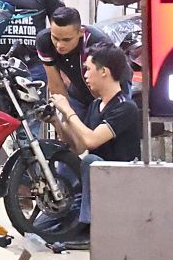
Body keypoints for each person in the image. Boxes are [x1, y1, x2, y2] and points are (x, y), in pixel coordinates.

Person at [49, 44, 140, 236]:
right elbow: (78, 146)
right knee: (46, 225)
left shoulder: (125, 107)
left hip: (119, 182)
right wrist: (57, 120)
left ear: (104, 72)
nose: (86, 76)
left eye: (88, 69)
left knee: (91, 161)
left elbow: (91, 142)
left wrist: (69, 110)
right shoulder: (96, 105)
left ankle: (89, 229)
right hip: (97, 183)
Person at [36, 6, 125, 120]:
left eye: (66, 40)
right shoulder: (44, 41)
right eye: (56, 38)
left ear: (81, 32)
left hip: (112, 85)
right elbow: (55, 84)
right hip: (78, 90)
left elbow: (107, 85)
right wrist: (66, 115)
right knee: (72, 127)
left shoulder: (96, 43)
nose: (59, 45)